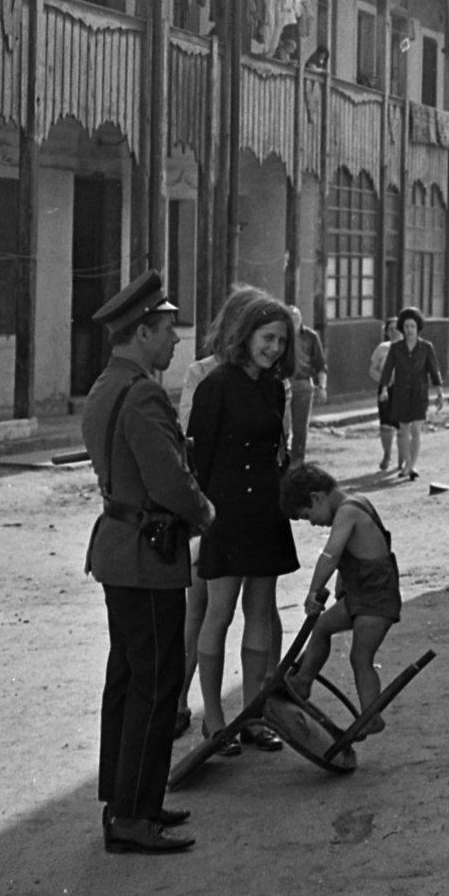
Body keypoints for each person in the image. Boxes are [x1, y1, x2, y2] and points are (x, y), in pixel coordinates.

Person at [81, 269, 216, 855]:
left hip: (119, 547)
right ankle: (133, 816)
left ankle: (128, 799)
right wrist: (207, 513)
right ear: (140, 333)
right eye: (167, 329)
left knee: (130, 676)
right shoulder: (143, 393)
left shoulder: (105, 385)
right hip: (147, 554)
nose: (176, 340)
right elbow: (171, 480)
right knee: (156, 682)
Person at [187, 290, 299, 754]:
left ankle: (253, 715)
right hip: (226, 512)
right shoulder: (215, 385)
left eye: (281, 342)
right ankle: (214, 720)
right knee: (219, 612)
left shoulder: (275, 388)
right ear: (245, 334)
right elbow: (198, 460)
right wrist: (207, 515)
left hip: (265, 512)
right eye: (267, 338)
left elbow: (280, 450)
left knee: (260, 612)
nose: (273, 348)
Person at [172, 284, 257, 740]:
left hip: (250, 509)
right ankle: (181, 702)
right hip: (211, 506)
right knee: (201, 608)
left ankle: (253, 712)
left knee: (255, 609)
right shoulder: (202, 372)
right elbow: (189, 440)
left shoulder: (268, 376)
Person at [279, 463, 401, 732]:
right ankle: (303, 681)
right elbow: (358, 555)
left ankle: (371, 715)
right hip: (361, 595)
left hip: (376, 599)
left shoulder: (348, 511)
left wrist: (313, 590)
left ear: (316, 498)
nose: (312, 522)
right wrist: (340, 586)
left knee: (360, 658)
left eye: (307, 514)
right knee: (321, 627)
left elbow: (331, 555)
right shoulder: (356, 503)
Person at [376, 306, 444, 481]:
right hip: (400, 394)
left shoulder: (426, 348)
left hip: (420, 394)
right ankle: (407, 463)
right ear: (402, 328)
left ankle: (412, 465)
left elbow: (434, 371)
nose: (409, 330)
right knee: (403, 430)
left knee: (416, 430)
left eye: (412, 326)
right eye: (406, 327)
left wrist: (439, 393)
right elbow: (388, 369)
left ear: (418, 327)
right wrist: (384, 388)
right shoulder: (396, 348)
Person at [287, 306, 328, 464]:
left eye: (296, 318)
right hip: (284, 382)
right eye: (290, 318)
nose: (293, 322)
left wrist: (322, 387)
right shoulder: (282, 337)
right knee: (282, 425)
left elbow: (320, 364)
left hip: (303, 383)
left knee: (300, 426)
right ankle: (283, 459)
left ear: (301, 319)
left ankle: (297, 461)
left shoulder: (310, 337)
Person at [367, 319, 401, 472]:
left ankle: (404, 459)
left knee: (404, 426)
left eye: (397, 328)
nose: (394, 332)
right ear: (386, 331)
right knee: (386, 424)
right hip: (386, 389)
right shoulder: (382, 349)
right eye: (390, 329)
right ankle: (387, 454)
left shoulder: (410, 347)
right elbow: (372, 370)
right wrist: (384, 379)